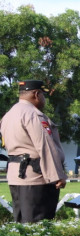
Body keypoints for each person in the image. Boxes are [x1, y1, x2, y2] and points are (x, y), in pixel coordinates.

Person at [0, 79, 67, 223]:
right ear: (36, 94)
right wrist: (58, 174)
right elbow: (45, 146)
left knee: (22, 224)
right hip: (36, 179)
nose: (44, 99)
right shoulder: (33, 115)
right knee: (39, 226)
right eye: (43, 95)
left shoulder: (8, 115)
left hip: (16, 177)